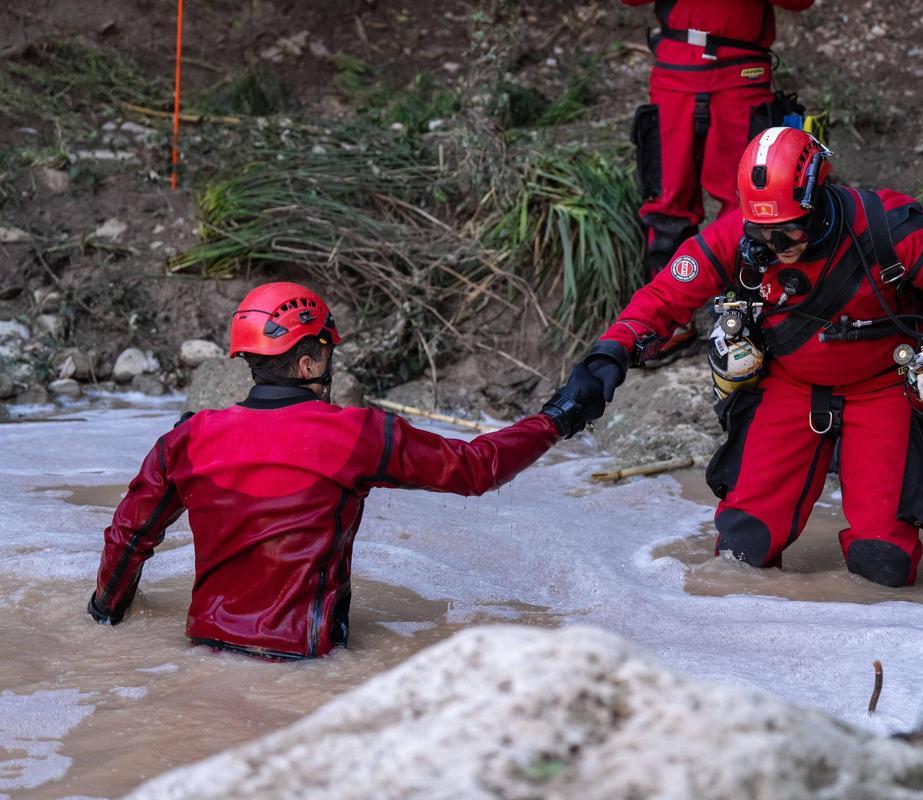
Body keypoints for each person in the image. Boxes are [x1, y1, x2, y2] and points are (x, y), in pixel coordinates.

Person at [574, 128, 923, 587]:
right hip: (788, 387)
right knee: (739, 555)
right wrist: (611, 352)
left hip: (883, 388)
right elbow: (666, 295)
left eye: (789, 229)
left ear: (819, 200)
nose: (776, 244)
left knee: (884, 564)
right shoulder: (737, 237)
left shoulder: (893, 228)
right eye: (761, 232)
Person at [87, 281, 603, 659]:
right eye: (327, 353)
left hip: (204, 654)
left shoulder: (186, 437)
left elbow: (128, 536)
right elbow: (477, 469)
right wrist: (558, 418)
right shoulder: (359, 433)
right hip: (306, 665)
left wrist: (105, 614)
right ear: (310, 364)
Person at [624, 0, 815, 362]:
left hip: (742, 74)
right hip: (675, 68)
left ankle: (743, 318)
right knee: (666, 200)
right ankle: (668, 323)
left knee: (748, 202)